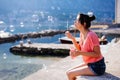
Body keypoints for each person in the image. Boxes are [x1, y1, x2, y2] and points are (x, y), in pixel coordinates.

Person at [65, 13, 106, 80]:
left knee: (70, 74)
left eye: (77, 20)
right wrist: (72, 39)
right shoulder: (82, 34)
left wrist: (80, 53)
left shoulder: (92, 35)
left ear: (84, 24)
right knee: (68, 72)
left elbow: (97, 54)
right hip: (90, 63)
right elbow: (79, 49)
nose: (75, 22)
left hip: (98, 66)